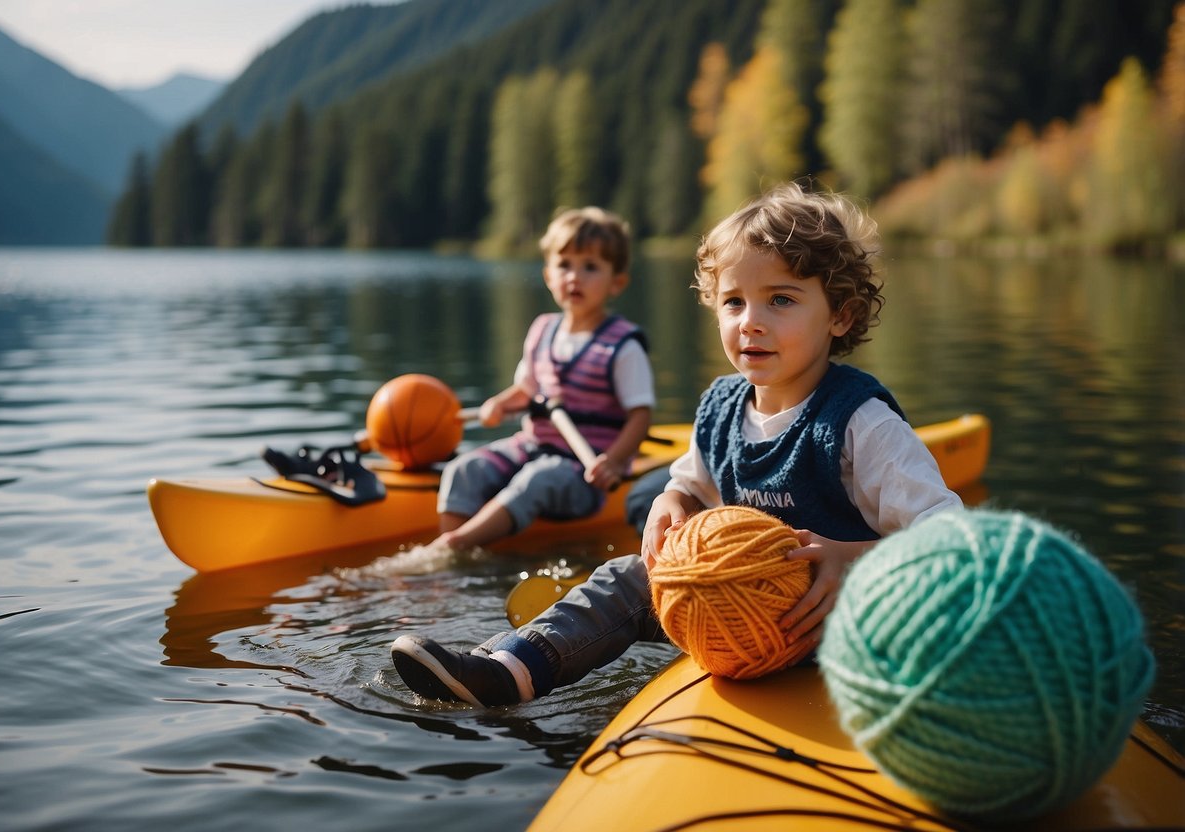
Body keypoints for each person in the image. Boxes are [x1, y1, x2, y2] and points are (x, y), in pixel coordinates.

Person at [392, 183, 962, 706]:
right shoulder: (719, 408)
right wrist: (672, 504)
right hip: (732, 609)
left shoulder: (862, 423)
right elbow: (687, 483)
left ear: (841, 315)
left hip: (835, 621)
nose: (751, 322)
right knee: (626, 578)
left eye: (781, 300)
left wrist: (850, 559)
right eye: (734, 301)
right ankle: (507, 671)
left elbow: (951, 545)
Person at [430, 206, 654, 552]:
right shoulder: (542, 331)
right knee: (463, 469)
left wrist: (612, 461)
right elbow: (526, 391)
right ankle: (463, 557)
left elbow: (641, 416)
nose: (574, 277)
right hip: (531, 448)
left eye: (590, 267)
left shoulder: (622, 346)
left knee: (539, 479)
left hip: (583, 470)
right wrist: (500, 405)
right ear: (549, 275)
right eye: (564, 265)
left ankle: (455, 545)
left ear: (617, 282)